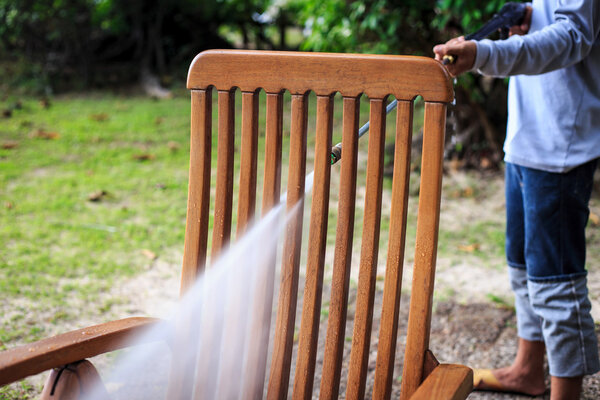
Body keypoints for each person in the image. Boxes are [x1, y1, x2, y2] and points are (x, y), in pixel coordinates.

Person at [433, 1, 600, 399]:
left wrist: (484, 55)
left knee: (555, 281)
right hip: (528, 134)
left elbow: (574, 35)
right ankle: (527, 369)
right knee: (523, 267)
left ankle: (567, 392)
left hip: (561, 144)